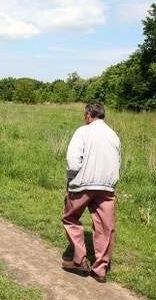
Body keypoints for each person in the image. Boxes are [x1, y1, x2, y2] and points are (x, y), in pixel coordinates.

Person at [61, 102, 121, 283]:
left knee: (70, 218)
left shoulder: (82, 131)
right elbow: (117, 161)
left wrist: (71, 180)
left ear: (89, 115)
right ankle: (100, 270)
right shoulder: (113, 135)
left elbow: (73, 161)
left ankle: (79, 258)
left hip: (83, 184)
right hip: (107, 187)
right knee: (105, 227)